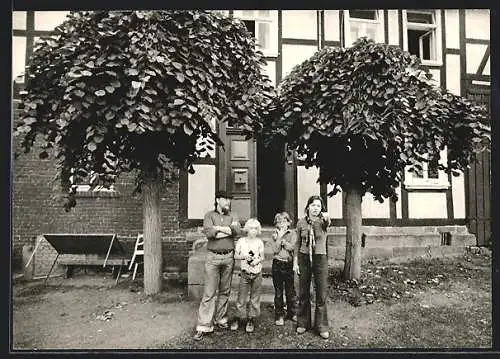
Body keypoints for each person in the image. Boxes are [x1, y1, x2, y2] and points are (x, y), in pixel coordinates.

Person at [193, 190, 241, 341]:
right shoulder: (209, 215)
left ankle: (221, 319)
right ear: (218, 200)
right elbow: (208, 232)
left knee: (225, 290)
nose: (228, 202)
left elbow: (236, 230)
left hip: (229, 257)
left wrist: (218, 229)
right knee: (209, 292)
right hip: (213, 257)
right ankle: (204, 325)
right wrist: (226, 230)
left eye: (229, 200)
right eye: (225, 199)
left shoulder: (233, 215)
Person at [294, 195, 331, 339]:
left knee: (321, 293)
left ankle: (321, 326)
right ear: (308, 206)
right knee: (303, 291)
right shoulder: (301, 223)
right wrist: (295, 262)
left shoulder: (323, 222)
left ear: (321, 208)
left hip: (320, 258)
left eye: (318, 206)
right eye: (313, 205)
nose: (315, 208)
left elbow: (328, 221)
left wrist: (326, 217)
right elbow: (297, 243)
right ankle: (303, 323)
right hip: (304, 257)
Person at [230, 218, 265, 333]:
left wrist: (257, 261)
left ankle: (251, 318)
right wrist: (244, 256)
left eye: (256, 229)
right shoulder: (241, 241)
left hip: (257, 273)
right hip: (245, 273)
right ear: (247, 229)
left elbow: (262, 257)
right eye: (251, 228)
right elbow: (235, 256)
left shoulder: (259, 242)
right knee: (241, 297)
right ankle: (239, 317)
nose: (253, 231)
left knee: (255, 297)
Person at [271, 211, 297, 326]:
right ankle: (279, 314)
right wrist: (279, 239)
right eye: (279, 222)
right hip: (277, 264)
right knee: (278, 291)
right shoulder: (275, 235)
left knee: (290, 290)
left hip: (288, 264)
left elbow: (292, 247)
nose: (281, 224)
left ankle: (292, 312)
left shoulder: (292, 233)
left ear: (288, 223)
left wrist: (284, 243)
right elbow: (275, 250)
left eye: (284, 221)